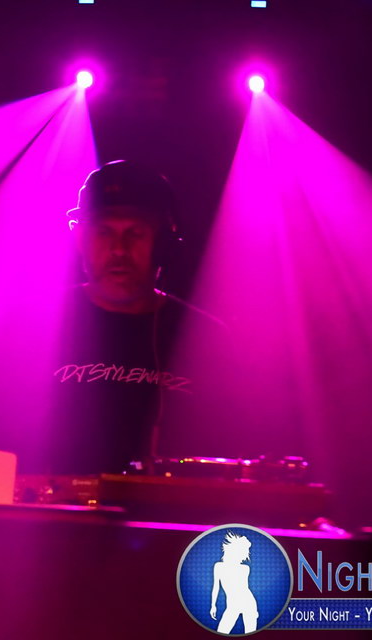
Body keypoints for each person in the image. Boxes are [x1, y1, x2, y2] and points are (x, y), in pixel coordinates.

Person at [36, 160, 230, 475]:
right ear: (81, 240)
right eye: (104, 232)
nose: (119, 250)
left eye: (135, 234)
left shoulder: (208, 340)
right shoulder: (32, 328)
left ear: (164, 245)